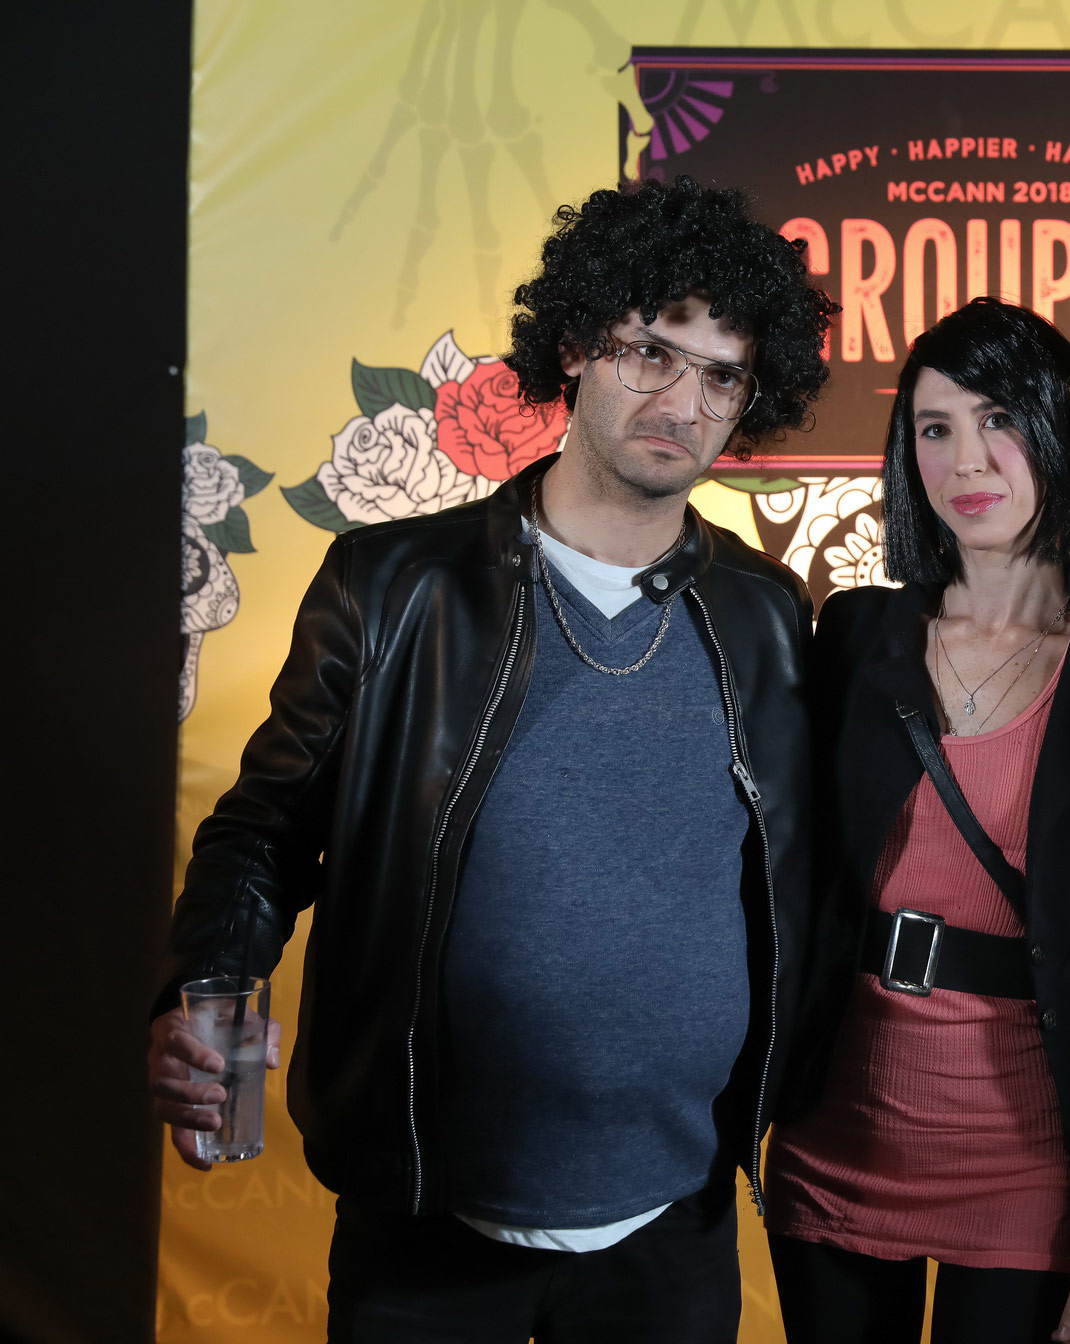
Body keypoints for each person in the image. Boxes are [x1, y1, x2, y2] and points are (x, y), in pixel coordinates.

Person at [147, 174, 839, 1343]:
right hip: (425, 1211)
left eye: (723, 376)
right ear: (575, 344)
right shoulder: (392, 586)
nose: (684, 402)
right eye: (652, 353)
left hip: (673, 1226)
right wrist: (200, 986)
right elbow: (264, 832)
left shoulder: (768, 614)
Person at [763, 297, 1070, 1344]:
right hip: (837, 1134)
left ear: (1062, 427)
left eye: (1000, 418)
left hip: (1026, 1161)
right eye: (935, 427)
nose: (967, 459)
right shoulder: (852, 634)